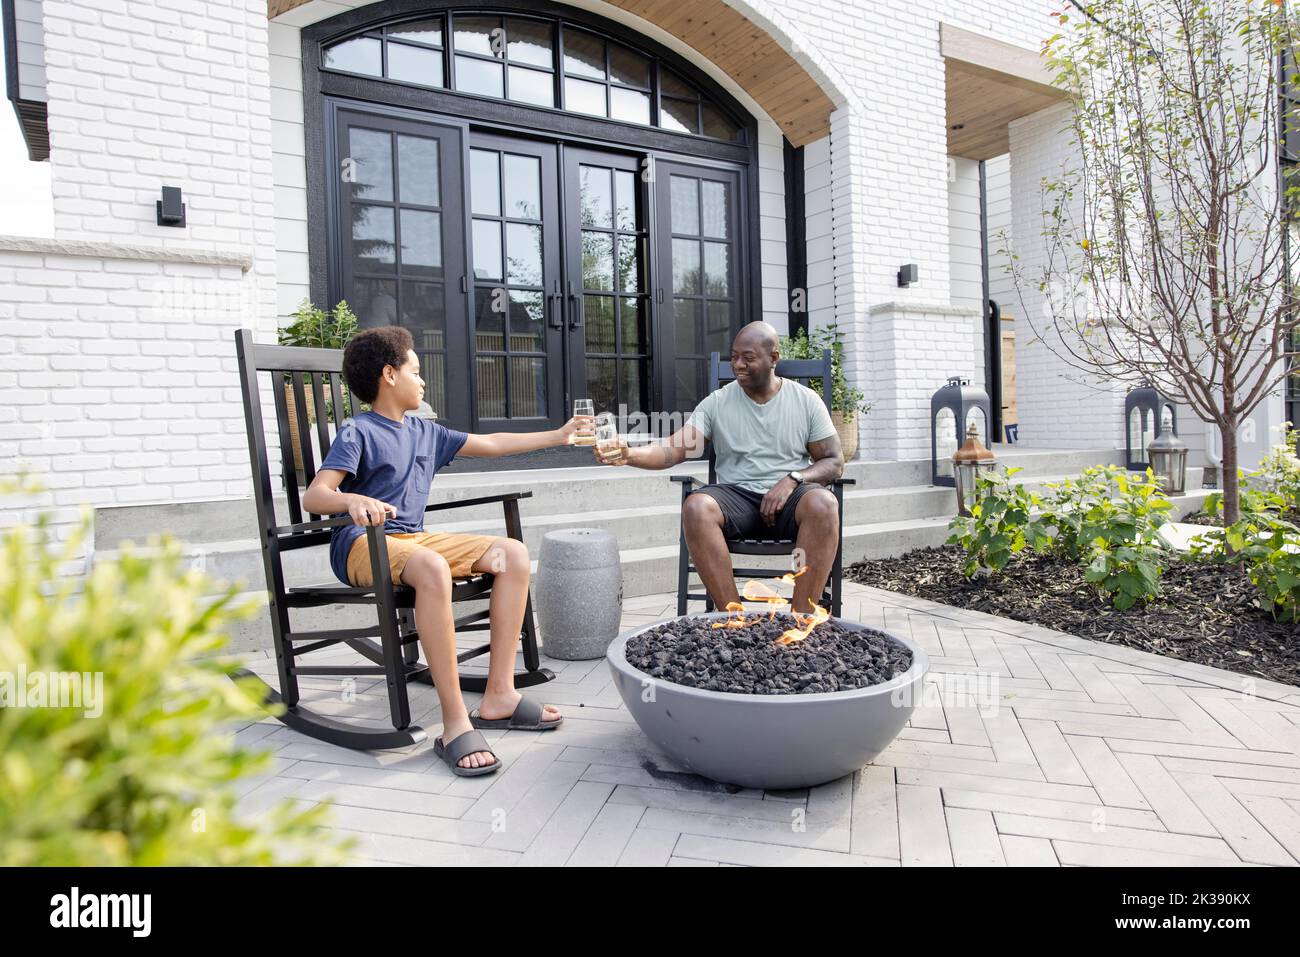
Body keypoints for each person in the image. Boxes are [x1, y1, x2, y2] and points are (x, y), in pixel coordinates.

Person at [302, 326, 591, 777]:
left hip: (414, 540)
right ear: (389, 375)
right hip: (362, 544)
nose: (423, 382)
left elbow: (492, 444)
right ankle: (454, 722)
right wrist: (350, 500)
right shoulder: (357, 431)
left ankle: (500, 695)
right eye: (416, 372)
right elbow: (315, 497)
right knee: (433, 567)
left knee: (511, 554)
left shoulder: (425, 431)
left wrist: (559, 436)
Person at [595, 321, 844, 614]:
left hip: (792, 501)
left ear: (773, 358)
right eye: (734, 356)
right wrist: (629, 455)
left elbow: (834, 461)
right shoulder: (718, 403)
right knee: (696, 506)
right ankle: (732, 618)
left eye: (747, 357)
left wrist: (794, 478)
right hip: (737, 501)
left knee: (824, 503)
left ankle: (801, 619)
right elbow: (673, 450)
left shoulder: (806, 402)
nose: (737, 364)